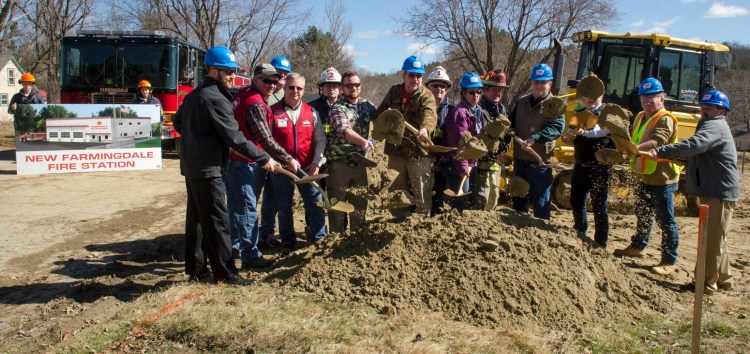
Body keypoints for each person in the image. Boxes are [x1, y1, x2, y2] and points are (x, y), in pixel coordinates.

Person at [173, 46, 275, 285]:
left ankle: (197, 270)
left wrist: (199, 139)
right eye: (227, 71)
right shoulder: (216, 99)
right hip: (209, 170)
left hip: (193, 168)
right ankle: (227, 274)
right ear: (212, 70)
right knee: (219, 222)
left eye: (233, 71)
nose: (232, 76)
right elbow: (236, 138)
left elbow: (179, 123)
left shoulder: (193, 96)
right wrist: (263, 158)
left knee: (197, 220)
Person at [649, 90, 740, 293]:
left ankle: (704, 284)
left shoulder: (715, 126)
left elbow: (694, 145)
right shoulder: (711, 126)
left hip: (719, 192)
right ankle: (724, 280)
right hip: (717, 190)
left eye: (709, 108)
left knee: (710, 241)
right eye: (702, 107)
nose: (704, 111)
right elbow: (696, 155)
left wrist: (663, 151)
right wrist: (674, 157)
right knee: (718, 239)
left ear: (722, 110)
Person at [225, 63, 300, 270]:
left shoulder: (242, 92)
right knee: (247, 209)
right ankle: (251, 255)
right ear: (255, 78)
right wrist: (287, 159)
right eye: (266, 80)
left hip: (236, 159)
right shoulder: (255, 104)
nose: (271, 84)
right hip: (242, 163)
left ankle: (234, 250)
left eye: (274, 81)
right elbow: (266, 140)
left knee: (237, 208)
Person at [614, 78, 681, 276]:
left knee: (665, 220)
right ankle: (638, 246)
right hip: (644, 174)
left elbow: (658, 141)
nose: (647, 101)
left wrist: (631, 150)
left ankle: (669, 260)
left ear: (661, 98)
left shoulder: (665, 118)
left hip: (662, 178)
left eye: (652, 97)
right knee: (643, 213)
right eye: (644, 97)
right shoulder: (640, 116)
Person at [269, 73, 327, 250]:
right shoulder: (272, 111)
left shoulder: (311, 113)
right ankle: (288, 242)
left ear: (304, 90)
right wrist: (273, 161)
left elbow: (320, 140)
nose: (295, 91)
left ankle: (318, 239)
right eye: (291, 87)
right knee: (284, 207)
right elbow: (265, 140)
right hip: (282, 169)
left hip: (307, 168)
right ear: (285, 87)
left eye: (299, 88)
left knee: (316, 204)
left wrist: (317, 162)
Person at [374, 55, 437, 218]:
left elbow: (429, 115)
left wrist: (424, 129)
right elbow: (379, 113)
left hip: (418, 154)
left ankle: (421, 229)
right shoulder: (394, 91)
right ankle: (398, 227)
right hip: (396, 152)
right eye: (411, 75)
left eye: (419, 75)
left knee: (422, 197)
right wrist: (384, 119)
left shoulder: (426, 96)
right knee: (396, 196)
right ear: (404, 75)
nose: (415, 79)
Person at [560, 75, 615, 248]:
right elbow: (569, 133)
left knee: (599, 205)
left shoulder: (608, 114)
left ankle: (601, 241)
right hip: (581, 164)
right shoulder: (578, 113)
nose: (590, 102)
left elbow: (602, 131)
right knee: (577, 199)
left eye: (593, 98)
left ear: (601, 97)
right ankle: (580, 230)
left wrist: (585, 132)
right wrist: (568, 137)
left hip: (600, 167)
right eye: (587, 99)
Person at [508, 63, 565, 220]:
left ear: (550, 84)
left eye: (543, 82)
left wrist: (535, 138)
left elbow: (557, 128)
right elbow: (509, 123)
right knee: (518, 200)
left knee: (540, 203)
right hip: (520, 160)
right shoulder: (521, 102)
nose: (539, 85)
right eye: (536, 82)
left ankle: (540, 231)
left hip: (540, 162)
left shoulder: (555, 105)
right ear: (531, 83)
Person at [326, 71, 376, 233]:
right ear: (342, 88)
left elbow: (383, 120)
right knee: (338, 205)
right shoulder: (337, 108)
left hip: (360, 163)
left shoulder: (366, 105)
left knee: (360, 203)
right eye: (349, 85)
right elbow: (344, 130)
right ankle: (336, 240)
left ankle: (357, 237)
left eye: (356, 85)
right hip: (340, 164)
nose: (353, 88)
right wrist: (363, 141)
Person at [440, 72, 488, 212]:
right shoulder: (459, 114)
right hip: (457, 165)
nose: (476, 95)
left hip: (471, 163)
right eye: (471, 92)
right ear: (463, 93)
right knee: (461, 203)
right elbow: (458, 146)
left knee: (469, 201)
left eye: (479, 91)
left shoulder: (478, 111)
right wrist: (463, 168)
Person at [258, 54, 292, 244]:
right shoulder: (264, 94)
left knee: (271, 197)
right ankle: (247, 237)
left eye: (284, 75)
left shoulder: (284, 95)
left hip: (276, 156)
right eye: (278, 73)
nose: (280, 78)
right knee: (251, 196)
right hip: (258, 154)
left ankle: (267, 232)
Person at [476, 69, 509, 211]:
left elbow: (507, 133)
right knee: (481, 197)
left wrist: (505, 148)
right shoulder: (479, 108)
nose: (498, 93)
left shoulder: (501, 109)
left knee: (494, 196)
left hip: (495, 161)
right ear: (485, 89)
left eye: (500, 90)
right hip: (479, 163)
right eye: (495, 90)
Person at [425, 65, 454, 215]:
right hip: (422, 161)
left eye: (443, 86)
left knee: (439, 202)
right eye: (435, 85)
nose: (439, 88)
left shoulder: (453, 111)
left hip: (443, 164)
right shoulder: (420, 107)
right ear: (428, 87)